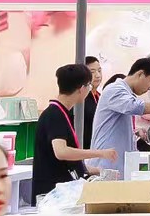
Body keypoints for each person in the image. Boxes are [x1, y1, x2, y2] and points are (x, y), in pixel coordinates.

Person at [33, 63, 116, 198]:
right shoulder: (55, 114)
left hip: (61, 190)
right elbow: (61, 152)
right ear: (82, 88)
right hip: (52, 194)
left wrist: (98, 170)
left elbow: (68, 161)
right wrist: (100, 153)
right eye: (89, 86)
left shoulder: (61, 112)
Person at [92, 58, 150, 170]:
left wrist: (136, 132)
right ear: (140, 74)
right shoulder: (115, 90)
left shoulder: (126, 94)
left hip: (119, 164)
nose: (149, 88)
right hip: (106, 165)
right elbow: (136, 107)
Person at [80, 55, 104, 147]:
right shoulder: (81, 98)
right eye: (92, 72)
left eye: (99, 71)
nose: (98, 75)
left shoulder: (100, 96)